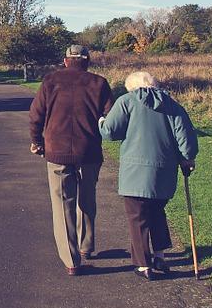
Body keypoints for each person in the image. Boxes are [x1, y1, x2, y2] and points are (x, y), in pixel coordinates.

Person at [99, 71, 198, 280]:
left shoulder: (126, 101)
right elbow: (186, 140)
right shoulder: (172, 105)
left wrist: (101, 121)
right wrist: (187, 159)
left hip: (135, 173)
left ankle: (143, 265)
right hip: (164, 172)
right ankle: (160, 256)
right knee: (156, 212)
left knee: (137, 217)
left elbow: (109, 132)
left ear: (132, 87)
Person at [28, 44, 113, 276]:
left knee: (63, 204)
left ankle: (72, 261)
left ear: (65, 61)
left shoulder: (50, 81)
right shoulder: (99, 83)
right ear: (87, 61)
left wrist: (37, 141)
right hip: (90, 152)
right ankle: (86, 247)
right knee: (87, 199)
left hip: (57, 152)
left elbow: (36, 114)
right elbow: (110, 117)